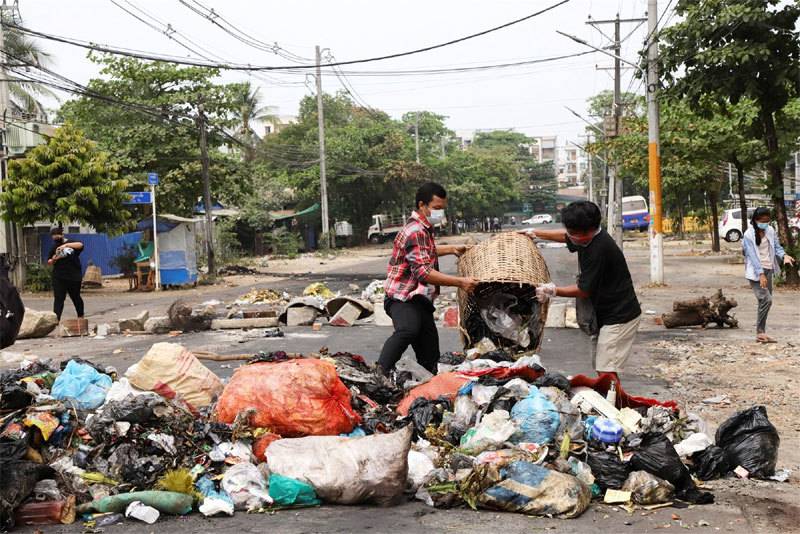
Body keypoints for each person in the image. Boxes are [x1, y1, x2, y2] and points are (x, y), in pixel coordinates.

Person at [523, 201, 641, 383]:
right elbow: (566, 237)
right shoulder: (587, 238)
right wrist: (536, 233)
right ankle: (612, 403)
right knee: (600, 364)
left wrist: (552, 290)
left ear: (591, 229)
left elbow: (584, 291)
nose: (571, 236)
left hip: (620, 315)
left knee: (606, 368)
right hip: (603, 313)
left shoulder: (598, 249)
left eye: (574, 233)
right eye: (569, 231)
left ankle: (616, 408)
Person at [377, 182, 479, 376]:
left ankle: (426, 384)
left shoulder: (422, 227)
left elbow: (424, 252)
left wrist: (451, 249)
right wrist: (461, 282)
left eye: (443, 209)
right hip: (402, 297)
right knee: (408, 329)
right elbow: (423, 272)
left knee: (431, 356)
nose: (440, 213)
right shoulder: (416, 230)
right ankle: (379, 372)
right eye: (437, 208)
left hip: (418, 298)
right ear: (422, 205)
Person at [741, 207, 794, 343]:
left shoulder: (770, 231)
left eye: (768, 221)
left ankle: (761, 333)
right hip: (756, 273)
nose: (765, 224)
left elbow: (776, 247)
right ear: (756, 220)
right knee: (767, 300)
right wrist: (761, 275)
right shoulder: (748, 235)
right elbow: (752, 256)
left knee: (764, 302)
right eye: (763, 221)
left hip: (768, 269)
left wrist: (784, 256)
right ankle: (760, 332)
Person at [47, 227, 85, 322]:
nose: (56, 239)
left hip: (74, 276)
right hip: (59, 276)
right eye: (54, 238)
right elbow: (50, 261)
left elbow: (80, 245)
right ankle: (56, 320)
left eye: (58, 237)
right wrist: (55, 258)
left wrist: (66, 245)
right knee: (59, 298)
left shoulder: (71, 243)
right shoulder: (54, 247)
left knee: (76, 297)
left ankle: (80, 316)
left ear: (62, 235)